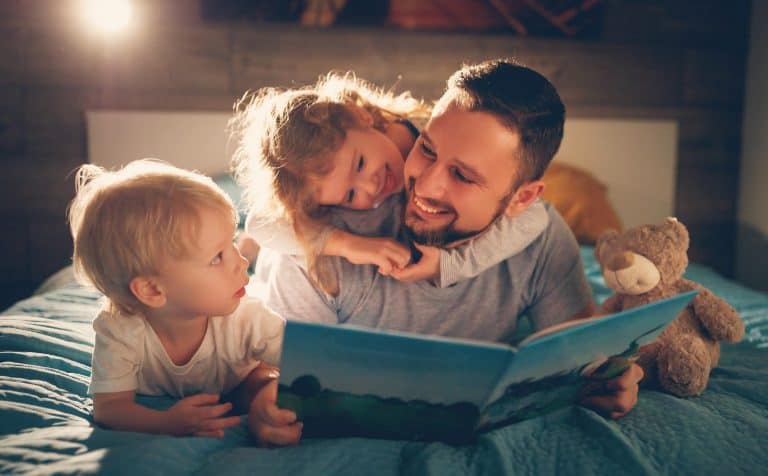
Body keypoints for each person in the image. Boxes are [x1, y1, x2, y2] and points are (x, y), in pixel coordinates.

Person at [247, 59, 644, 446]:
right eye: (427, 150)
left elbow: (581, 357)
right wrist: (263, 398)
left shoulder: (541, 239)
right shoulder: (314, 235)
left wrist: (609, 380)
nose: (425, 187)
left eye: (463, 175)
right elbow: (268, 370)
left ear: (522, 199)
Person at [230, 73, 550, 291]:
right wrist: (347, 245)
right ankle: (249, 250)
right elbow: (261, 222)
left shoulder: (437, 136)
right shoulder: (336, 188)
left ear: (361, 116)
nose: (371, 187)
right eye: (350, 195)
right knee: (283, 244)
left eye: (360, 164)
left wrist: (449, 265)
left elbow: (536, 216)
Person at [68, 159, 286, 438]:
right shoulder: (120, 328)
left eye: (233, 244)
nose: (241, 262)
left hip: (240, 380)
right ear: (152, 291)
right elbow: (109, 408)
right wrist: (165, 423)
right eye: (217, 257)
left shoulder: (247, 316)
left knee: (263, 383)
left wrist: (267, 395)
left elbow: (307, 363)